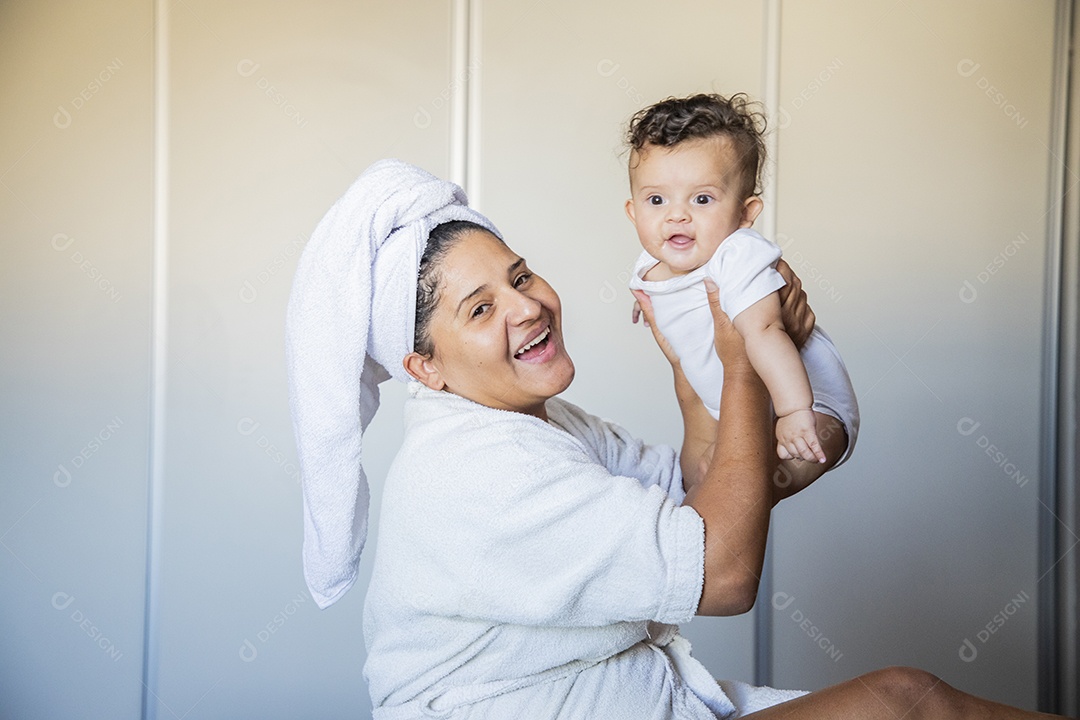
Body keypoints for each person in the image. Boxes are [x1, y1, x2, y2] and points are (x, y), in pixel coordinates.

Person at [286, 159, 1068, 719]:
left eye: (520, 277)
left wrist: (696, 362)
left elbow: (701, 491)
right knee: (908, 702)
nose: (526, 308)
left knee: (914, 699)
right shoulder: (474, 471)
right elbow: (724, 572)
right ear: (424, 367)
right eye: (480, 310)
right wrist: (740, 361)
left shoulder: (537, 420)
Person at [626, 93, 858, 488]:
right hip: (740, 407)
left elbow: (765, 332)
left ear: (745, 213)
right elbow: (666, 298)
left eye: (702, 199)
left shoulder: (737, 254)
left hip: (812, 403)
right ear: (633, 210)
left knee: (749, 490)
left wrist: (792, 412)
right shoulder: (651, 264)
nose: (676, 214)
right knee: (708, 488)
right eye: (657, 199)